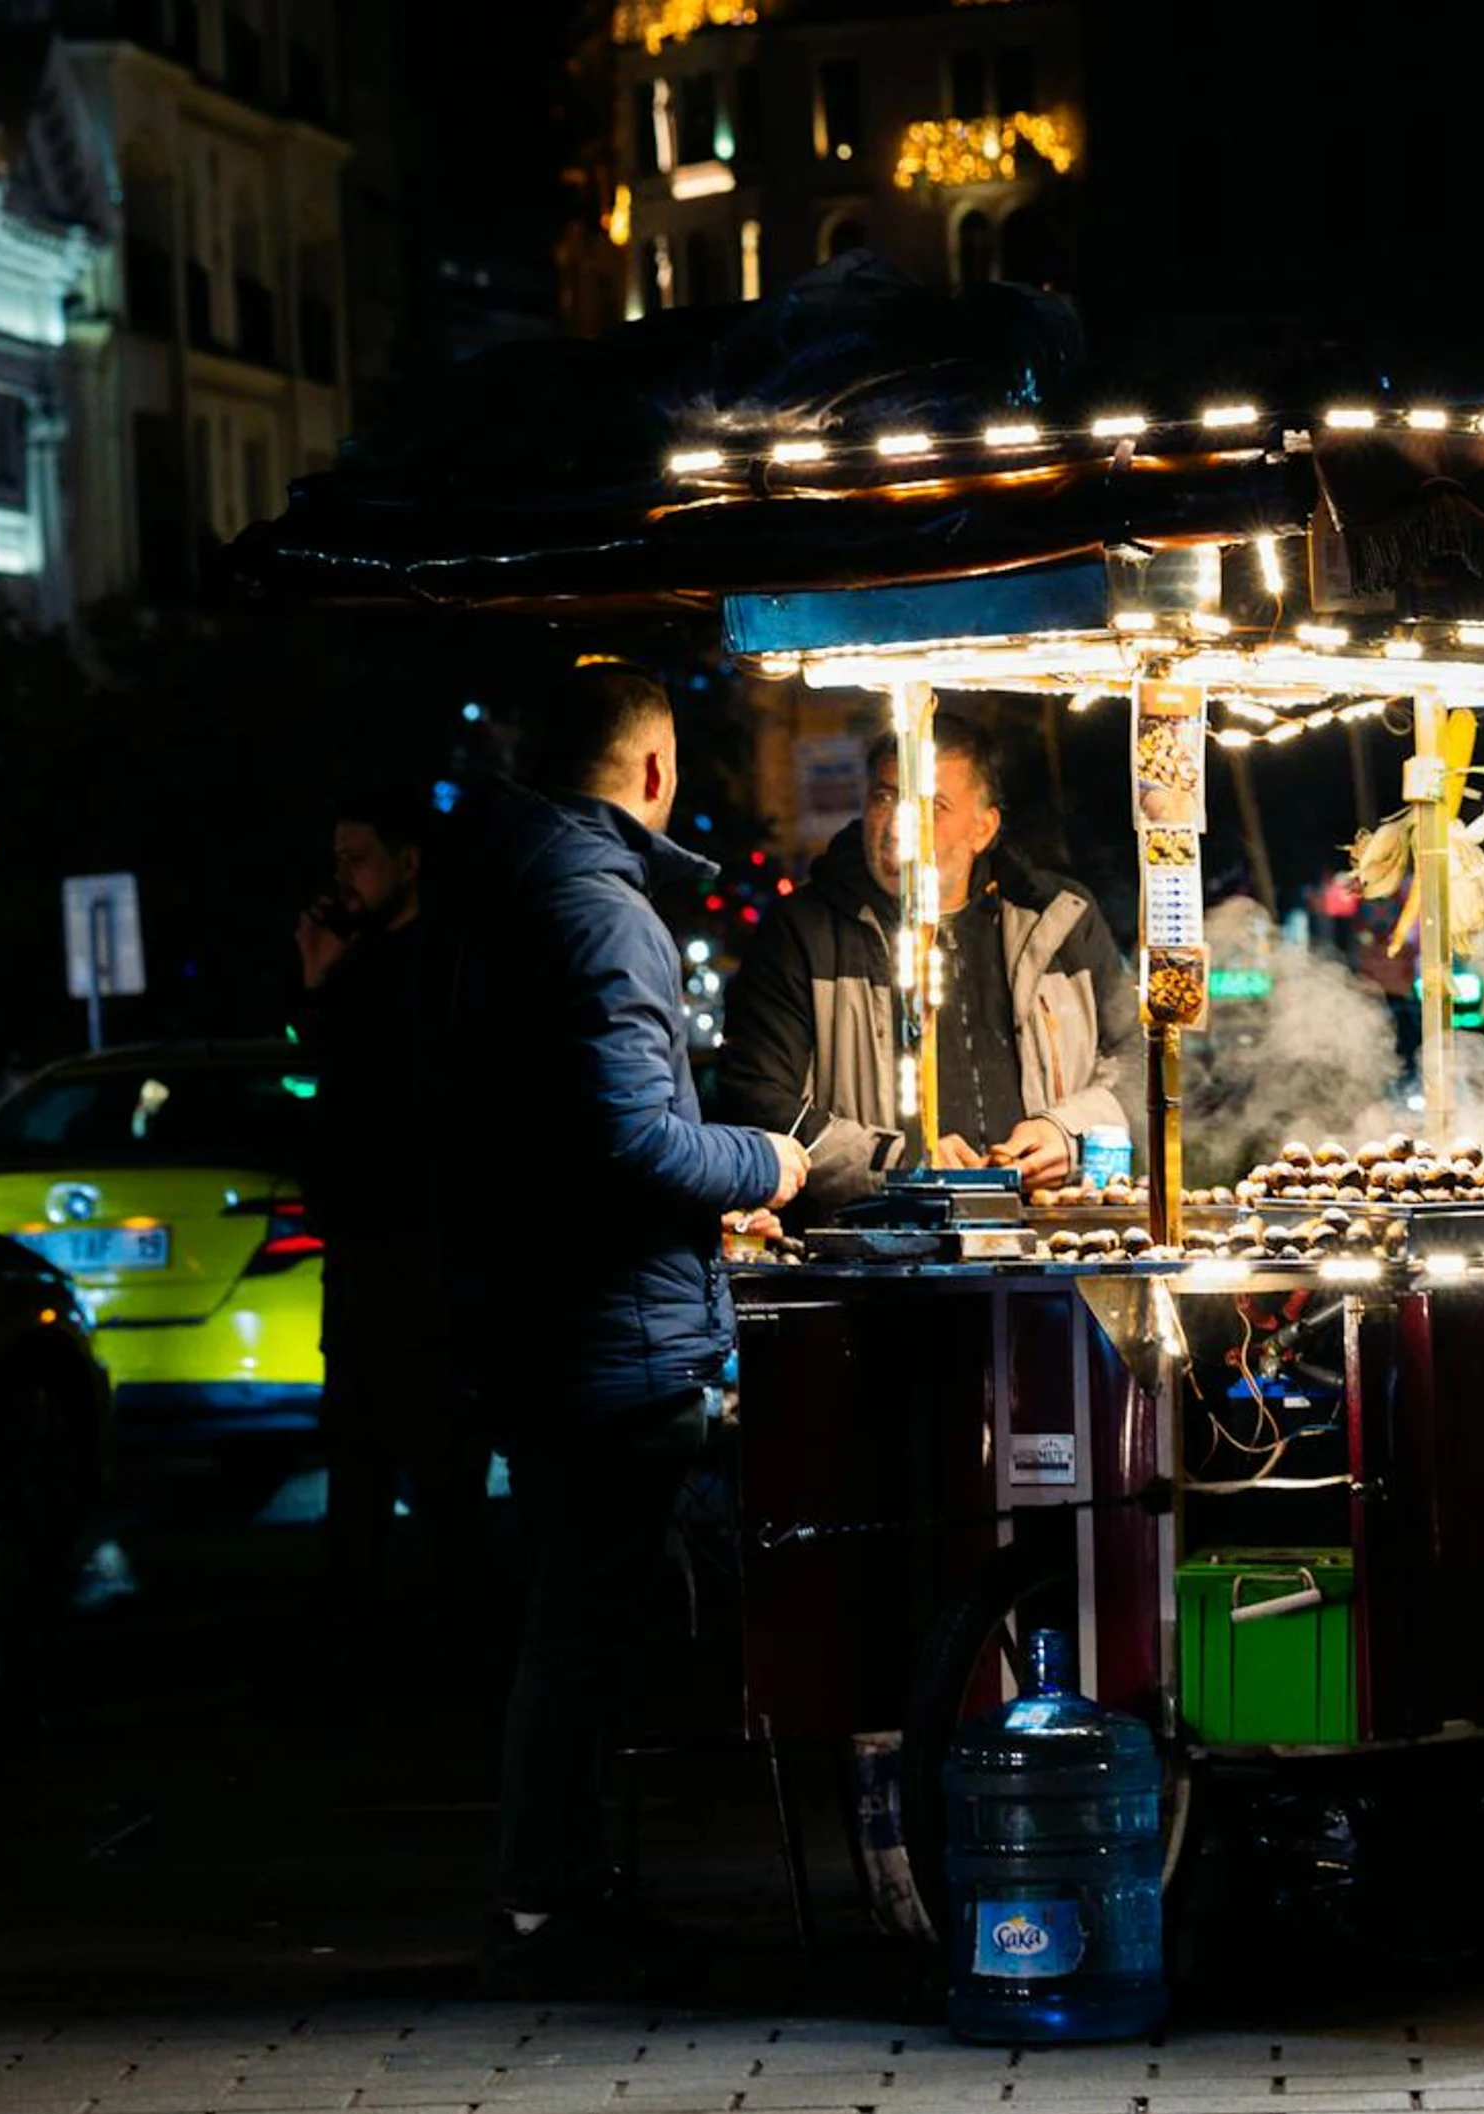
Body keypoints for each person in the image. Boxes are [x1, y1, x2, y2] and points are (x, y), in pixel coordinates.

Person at [416, 668, 807, 1995]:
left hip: (536, 1316)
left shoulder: (497, 891)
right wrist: (761, 1163)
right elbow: (633, 1141)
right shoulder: (600, 910)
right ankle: (548, 1902)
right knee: (582, 1625)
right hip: (602, 1336)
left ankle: (566, 1890)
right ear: (651, 772)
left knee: (572, 1620)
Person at [713, 715, 1138, 1217]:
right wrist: (902, 1165)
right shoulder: (801, 932)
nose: (899, 825)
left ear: (984, 827)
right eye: (884, 797)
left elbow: (1139, 1064)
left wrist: (1068, 1133)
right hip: (874, 1255)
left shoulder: (1062, 919)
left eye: (933, 806)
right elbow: (755, 1101)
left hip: (1042, 1243)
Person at [292, 784, 480, 1636]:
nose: (345, 878)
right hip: (367, 1257)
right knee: (361, 1471)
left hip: (424, 1257)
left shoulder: (430, 968)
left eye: (358, 857)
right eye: (337, 859)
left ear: (410, 863)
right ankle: (366, 1644)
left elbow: (373, 1099)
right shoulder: (360, 966)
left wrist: (329, 988)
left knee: (440, 1476)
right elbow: (316, 1090)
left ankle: (446, 1645)